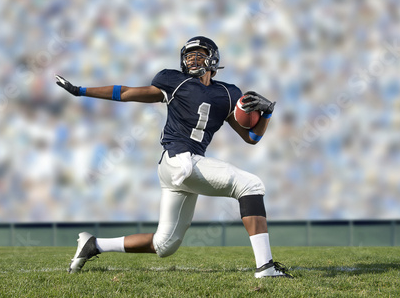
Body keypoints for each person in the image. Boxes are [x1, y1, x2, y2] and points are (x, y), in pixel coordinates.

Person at [55, 36, 293, 278]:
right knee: (251, 184)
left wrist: (267, 113)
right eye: (188, 55)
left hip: (185, 167)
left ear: (213, 58)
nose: (192, 59)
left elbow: (251, 137)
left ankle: (94, 245)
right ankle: (266, 267)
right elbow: (126, 92)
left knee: (165, 245)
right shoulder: (175, 82)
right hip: (178, 160)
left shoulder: (228, 93)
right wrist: (80, 90)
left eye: (199, 54)